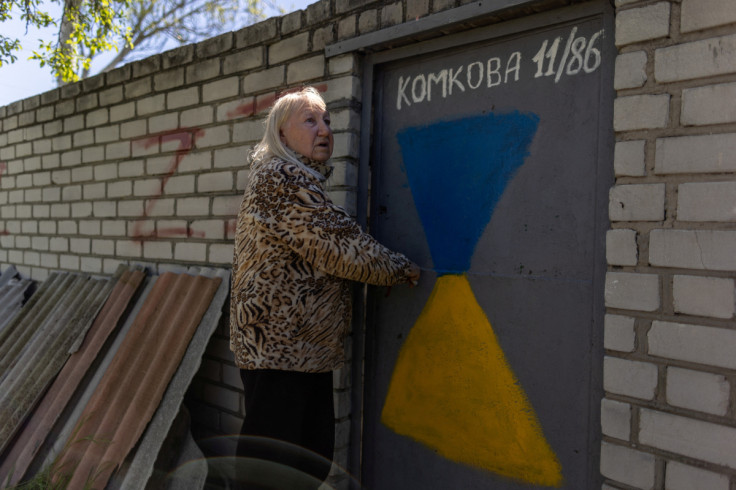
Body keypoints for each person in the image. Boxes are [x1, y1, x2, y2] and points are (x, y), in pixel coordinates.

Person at [230, 86, 420, 489]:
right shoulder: (283, 178)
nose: (325, 130)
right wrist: (399, 269)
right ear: (282, 135)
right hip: (282, 347)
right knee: (275, 468)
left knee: (301, 463)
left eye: (328, 121)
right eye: (310, 120)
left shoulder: (293, 180)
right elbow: (339, 246)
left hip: (293, 348)